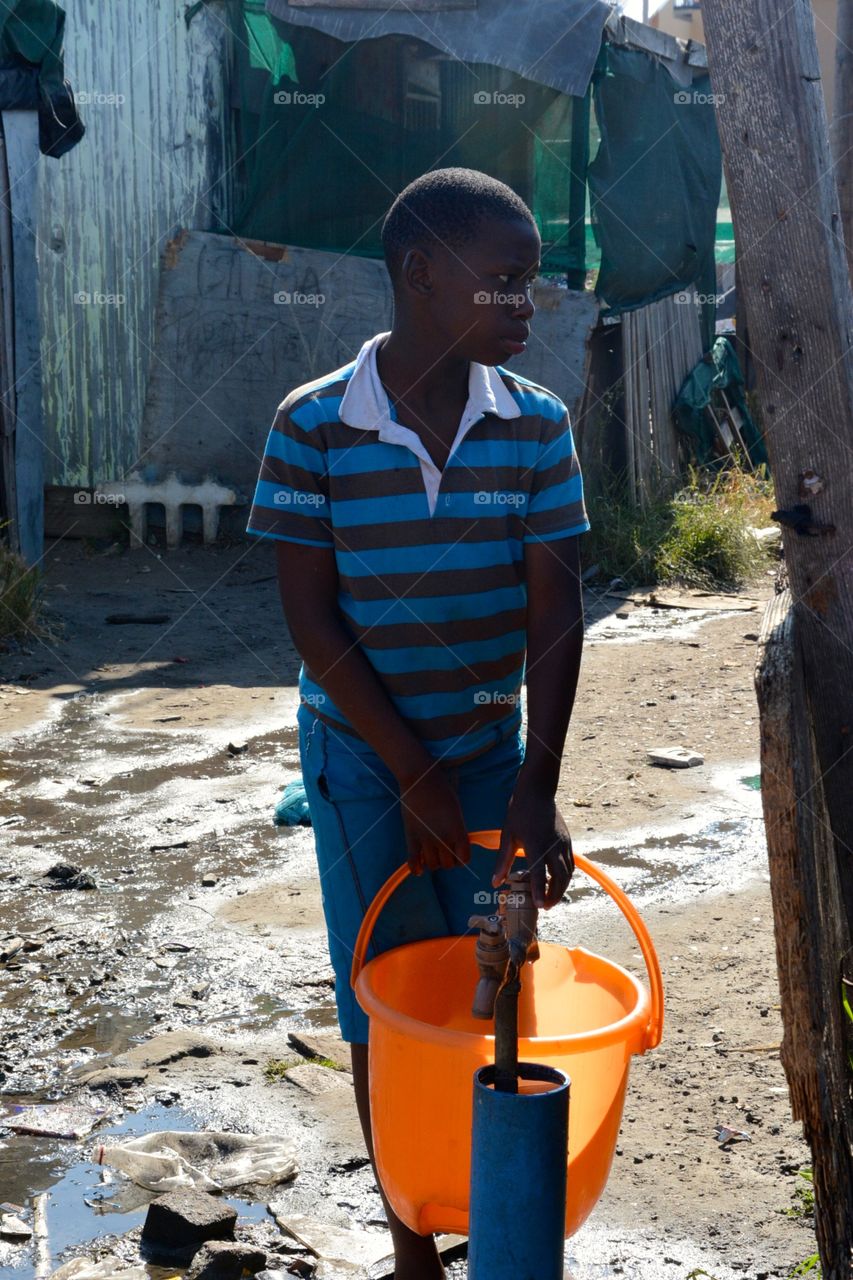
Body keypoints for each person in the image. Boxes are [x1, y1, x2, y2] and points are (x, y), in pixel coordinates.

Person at [247, 167, 589, 1280]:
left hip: (489, 753)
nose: (527, 306)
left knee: (498, 969)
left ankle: (492, 1205)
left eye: (531, 284)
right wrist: (405, 769)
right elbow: (311, 619)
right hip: (360, 758)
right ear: (421, 274)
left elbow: (554, 611)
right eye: (506, 282)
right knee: (386, 995)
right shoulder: (312, 426)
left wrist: (535, 786)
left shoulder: (535, 427)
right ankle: (412, 1246)